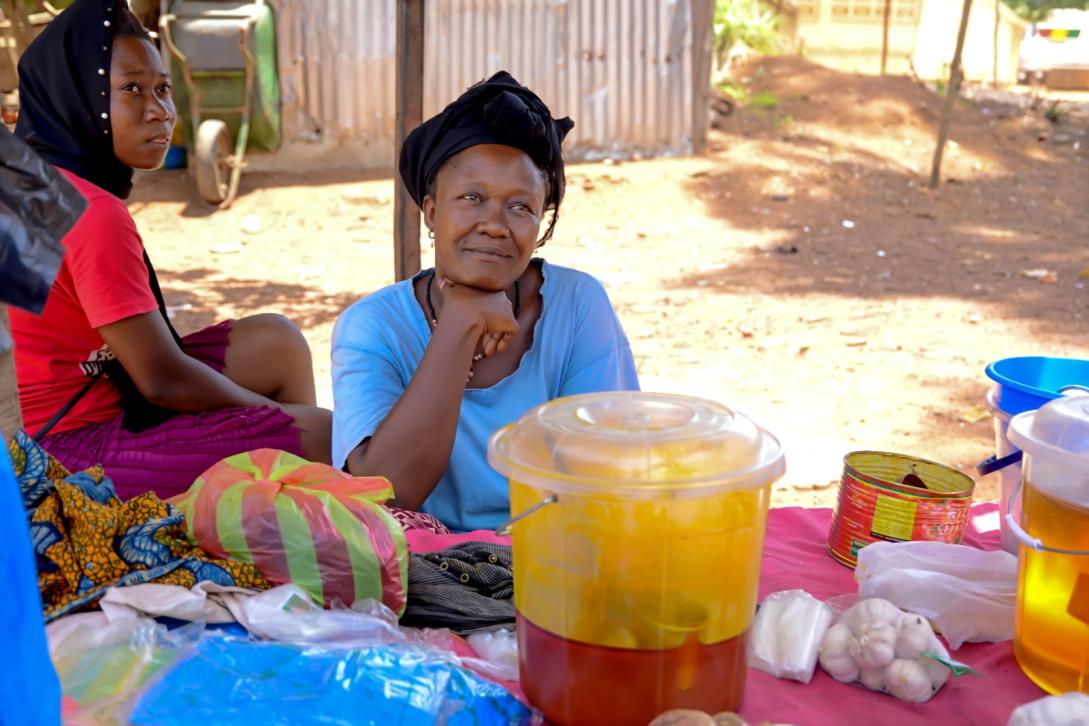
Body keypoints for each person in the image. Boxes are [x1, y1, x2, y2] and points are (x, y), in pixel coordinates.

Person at [9, 0, 331, 501]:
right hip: (75, 453)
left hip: (92, 398)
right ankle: (296, 514)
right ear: (76, 96)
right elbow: (160, 380)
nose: (160, 110)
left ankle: (281, 508)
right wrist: (263, 416)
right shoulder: (92, 212)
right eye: (131, 89)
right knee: (322, 437)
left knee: (278, 341)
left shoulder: (37, 182)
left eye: (162, 88)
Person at [332, 71, 639, 532]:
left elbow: (606, 472)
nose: (495, 224)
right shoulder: (372, 327)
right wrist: (459, 324)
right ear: (432, 212)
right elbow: (387, 493)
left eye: (520, 207)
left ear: (540, 223)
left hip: (558, 556)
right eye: (472, 198)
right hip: (423, 573)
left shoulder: (577, 306)